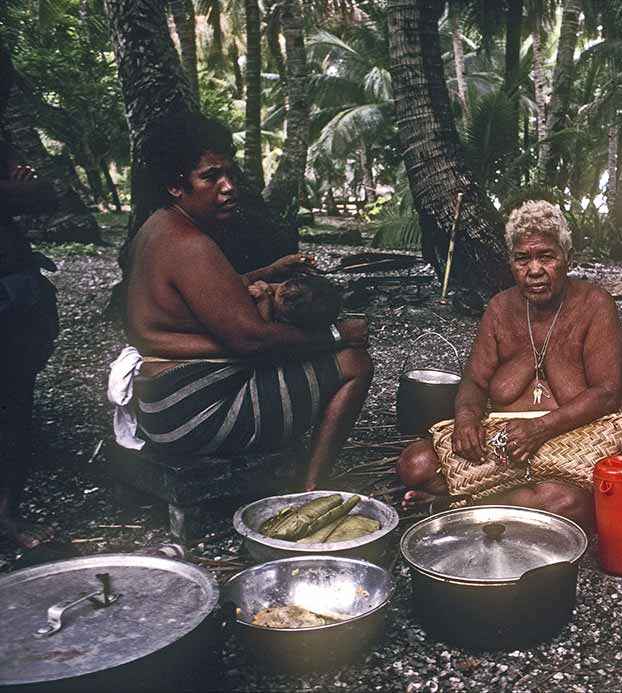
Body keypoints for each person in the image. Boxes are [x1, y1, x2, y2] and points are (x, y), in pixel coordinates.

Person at [122, 112, 372, 491]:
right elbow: (250, 340)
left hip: (163, 404)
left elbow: (209, 294)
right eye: (211, 177)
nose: (228, 187)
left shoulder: (160, 227)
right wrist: (338, 335)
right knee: (355, 363)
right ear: (176, 185)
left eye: (230, 175)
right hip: (192, 414)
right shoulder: (191, 245)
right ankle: (313, 487)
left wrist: (267, 271)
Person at [397, 200, 622, 532]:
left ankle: (462, 503)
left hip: (569, 440)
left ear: (568, 259)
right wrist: (466, 420)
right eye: (523, 259)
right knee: (414, 464)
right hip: (501, 443)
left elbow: (608, 394)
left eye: (546, 257)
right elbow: (474, 383)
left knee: (568, 503)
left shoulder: (594, 305)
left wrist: (541, 428)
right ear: (511, 263)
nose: (534, 270)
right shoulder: (500, 309)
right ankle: (509, 501)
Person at [0, 139, 60, 548]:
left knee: (14, 402)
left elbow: (44, 193)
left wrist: (24, 189)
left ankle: (5, 514)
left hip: (12, 292)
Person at [248, 275, 342, 328]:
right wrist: (268, 288)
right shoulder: (284, 292)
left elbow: (265, 330)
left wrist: (263, 302)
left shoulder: (282, 327)